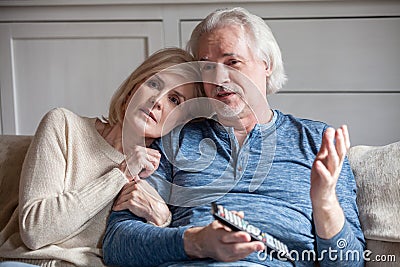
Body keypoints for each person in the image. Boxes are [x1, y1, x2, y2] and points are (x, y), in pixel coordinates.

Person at [103, 7, 366, 267]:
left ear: (267, 65)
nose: (218, 78)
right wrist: (195, 242)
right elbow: (117, 244)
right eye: (207, 67)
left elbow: (349, 262)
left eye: (233, 62)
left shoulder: (317, 141)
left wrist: (325, 204)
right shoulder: (176, 138)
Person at [0, 47, 203, 266]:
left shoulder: (164, 172)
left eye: (174, 100)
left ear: (181, 122)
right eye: (154, 84)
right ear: (132, 88)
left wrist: (163, 220)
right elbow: (35, 231)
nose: (157, 101)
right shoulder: (64, 125)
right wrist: (118, 177)